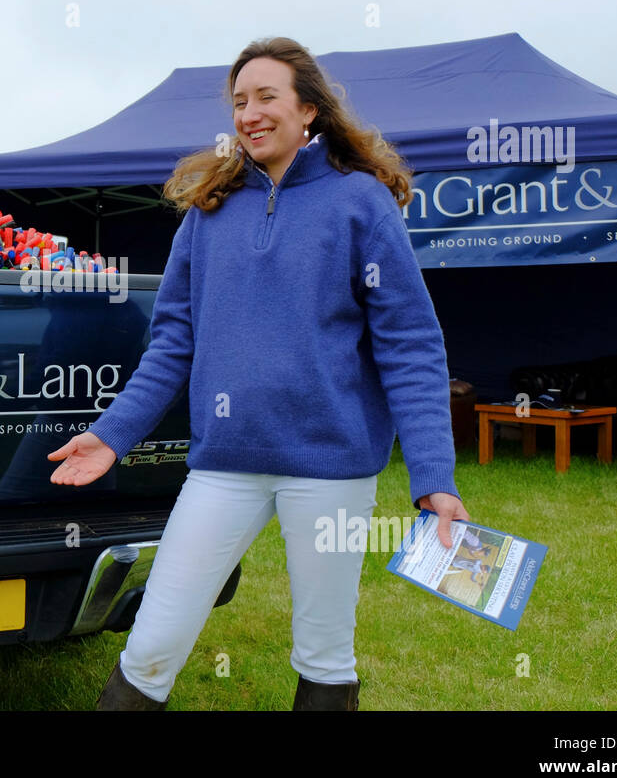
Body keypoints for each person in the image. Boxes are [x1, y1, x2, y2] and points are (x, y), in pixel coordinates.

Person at [47, 36, 469, 711]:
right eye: (240, 101)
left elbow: (409, 344)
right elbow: (173, 342)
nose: (250, 113)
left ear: (308, 110)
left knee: (325, 652)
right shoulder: (210, 207)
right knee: (152, 641)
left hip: (332, 467)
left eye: (266, 96)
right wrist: (112, 435)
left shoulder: (360, 201)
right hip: (224, 464)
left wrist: (434, 478)